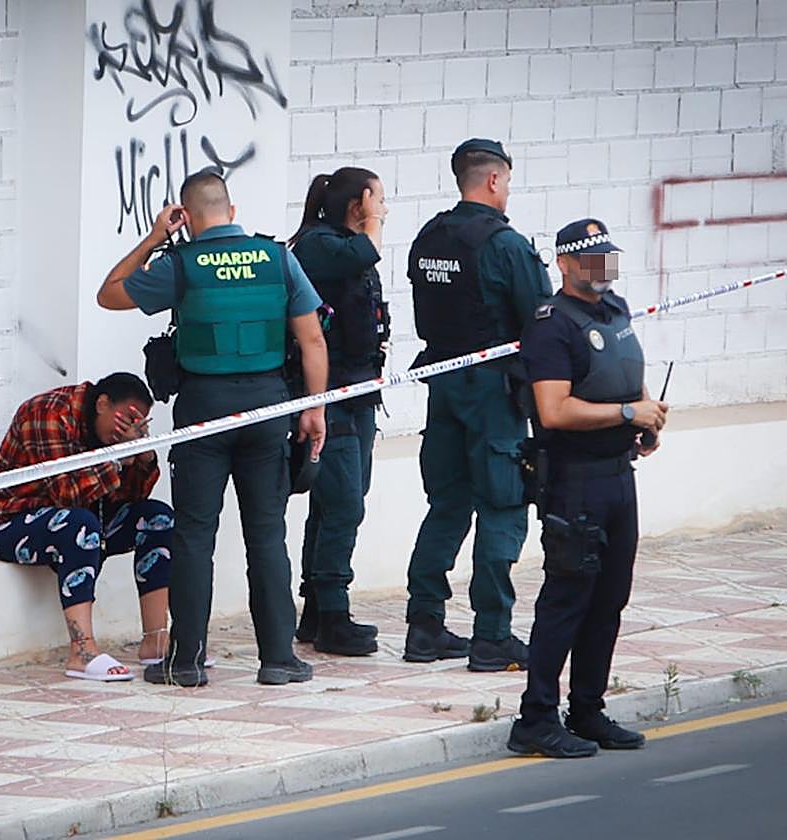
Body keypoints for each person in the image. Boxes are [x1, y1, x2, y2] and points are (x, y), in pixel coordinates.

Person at [97, 167, 328, 688]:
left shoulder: (181, 263)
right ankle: (277, 659)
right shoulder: (277, 257)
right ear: (232, 211)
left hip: (203, 409)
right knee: (267, 534)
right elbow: (312, 341)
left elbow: (109, 294)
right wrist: (314, 410)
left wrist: (156, 236)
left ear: (188, 218)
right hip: (270, 407)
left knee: (195, 535)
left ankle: (185, 662)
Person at [508, 218, 667, 757]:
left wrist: (643, 420)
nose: (602, 269)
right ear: (566, 264)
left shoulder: (615, 310)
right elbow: (554, 410)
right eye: (590, 259)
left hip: (619, 473)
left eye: (607, 258)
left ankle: (588, 709)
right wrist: (626, 411)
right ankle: (535, 718)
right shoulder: (553, 324)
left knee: (609, 599)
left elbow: (627, 370)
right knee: (567, 600)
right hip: (575, 483)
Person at [403, 138, 553, 671]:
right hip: (493, 392)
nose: (507, 191)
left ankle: (423, 626)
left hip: (444, 385)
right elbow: (541, 321)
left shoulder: (429, 237)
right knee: (502, 506)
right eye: (507, 181)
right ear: (493, 180)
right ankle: (492, 635)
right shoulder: (507, 245)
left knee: (446, 504)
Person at [0, 373, 173, 682]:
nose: (128, 429)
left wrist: (141, 456)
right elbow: (65, 495)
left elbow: (132, 498)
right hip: (5, 521)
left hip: (76, 520)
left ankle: (156, 640)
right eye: (126, 420)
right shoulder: (48, 413)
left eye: (139, 423)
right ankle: (82, 651)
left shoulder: (117, 436)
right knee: (80, 525)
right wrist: (117, 460)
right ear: (102, 404)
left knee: (158, 518)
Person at [287, 167, 390, 657]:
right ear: (358, 205)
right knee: (344, 503)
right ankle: (333, 615)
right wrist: (372, 222)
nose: (383, 212)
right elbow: (364, 252)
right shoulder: (317, 245)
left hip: (358, 393)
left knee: (336, 503)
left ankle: (316, 608)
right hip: (330, 399)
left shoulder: (339, 244)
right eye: (378, 202)